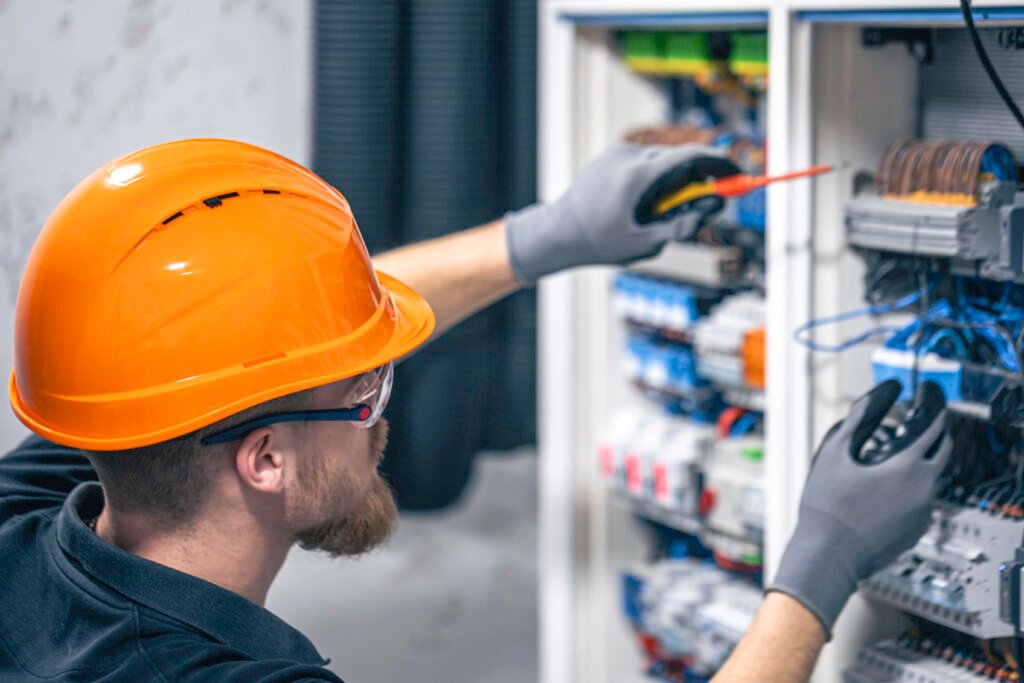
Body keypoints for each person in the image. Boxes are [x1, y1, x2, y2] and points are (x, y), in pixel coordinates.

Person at [0, 140, 950, 682]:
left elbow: (266, 342)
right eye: (364, 392)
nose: (382, 416)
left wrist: (544, 238)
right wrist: (818, 570)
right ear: (265, 461)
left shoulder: (43, 515)